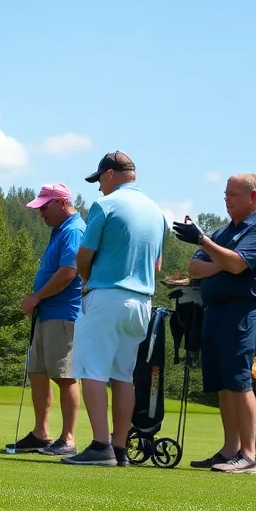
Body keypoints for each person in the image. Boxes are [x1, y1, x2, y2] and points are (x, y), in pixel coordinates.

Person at [63, 151, 166, 466]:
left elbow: (84, 256)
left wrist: (85, 279)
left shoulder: (104, 206)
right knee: (123, 375)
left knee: (92, 370)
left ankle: (99, 445)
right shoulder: (156, 211)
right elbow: (157, 265)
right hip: (141, 303)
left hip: (106, 296)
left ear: (109, 174)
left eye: (99, 181)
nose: (98, 188)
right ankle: (119, 449)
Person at [175, 173, 256, 474]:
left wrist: (209, 247)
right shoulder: (224, 232)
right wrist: (224, 260)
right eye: (225, 194)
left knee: (239, 380)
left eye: (233, 194)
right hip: (216, 312)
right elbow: (195, 267)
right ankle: (229, 450)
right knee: (222, 384)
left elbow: (237, 264)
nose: (226, 199)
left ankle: (249, 456)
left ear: (253, 197)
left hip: (244, 312)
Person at [8, 184, 86, 457]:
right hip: (48, 314)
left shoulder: (74, 230)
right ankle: (42, 433)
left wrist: (37, 297)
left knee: (65, 377)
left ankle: (68, 438)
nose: (41, 212)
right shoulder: (60, 230)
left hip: (64, 313)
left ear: (62, 203)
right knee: (38, 372)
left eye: (45, 206)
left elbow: (69, 272)